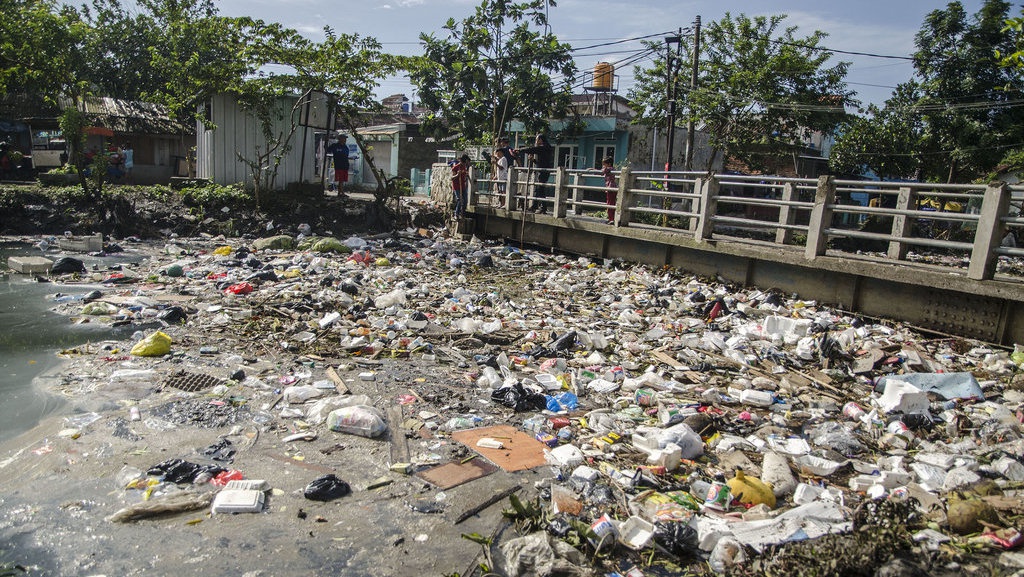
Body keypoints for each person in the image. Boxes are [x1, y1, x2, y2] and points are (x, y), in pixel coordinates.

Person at [517, 133, 553, 213]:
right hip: (543, 169)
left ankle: (537, 207)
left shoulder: (544, 147)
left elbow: (531, 149)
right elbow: (541, 162)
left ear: (540, 140)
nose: (536, 141)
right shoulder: (546, 148)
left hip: (544, 171)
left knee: (539, 189)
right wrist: (533, 160)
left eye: (537, 139)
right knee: (540, 189)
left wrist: (520, 150)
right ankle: (540, 207)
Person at [451, 153, 471, 219]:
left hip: (463, 186)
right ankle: (456, 214)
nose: (467, 163)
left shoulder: (464, 167)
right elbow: (452, 178)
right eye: (467, 161)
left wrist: (466, 175)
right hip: (457, 186)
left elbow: (464, 175)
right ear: (464, 161)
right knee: (460, 200)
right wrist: (457, 175)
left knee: (465, 200)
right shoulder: (456, 167)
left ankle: (462, 213)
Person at [601, 156, 616, 224]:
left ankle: (612, 219)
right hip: (611, 188)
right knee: (610, 203)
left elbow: (602, 172)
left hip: (611, 188)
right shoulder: (611, 169)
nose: (603, 166)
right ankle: (610, 218)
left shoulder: (609, 169)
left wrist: (592, 169)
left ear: (609, 164)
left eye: (604, 164)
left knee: (610, 203)